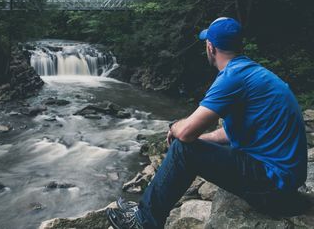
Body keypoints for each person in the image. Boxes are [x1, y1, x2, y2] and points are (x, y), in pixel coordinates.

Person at [106, 17, 308, 229]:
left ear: (210, 47)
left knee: (183, 149)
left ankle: (143, 221)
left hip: (273, 190)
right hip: (283, 186)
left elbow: (184, 134)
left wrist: (175, 126)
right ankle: (144, 210)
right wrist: (201, 140)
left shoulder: (233, 78)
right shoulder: (253, 73)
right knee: (190, 145)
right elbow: (229, 134)